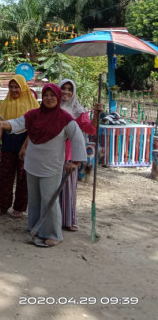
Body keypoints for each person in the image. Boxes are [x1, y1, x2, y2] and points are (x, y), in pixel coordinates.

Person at [0, 83, 86, 247]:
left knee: (49, 200)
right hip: (32, 164)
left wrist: (76, 162)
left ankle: (53, 234)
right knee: (35, 199)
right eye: (46, 95)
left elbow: (78, 138)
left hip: (52, 166)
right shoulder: (33, 115)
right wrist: (3, 124)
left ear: (58, 98)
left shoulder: (65, 118)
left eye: (52, 95)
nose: (49, 98)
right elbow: (17, 123)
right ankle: (35, 228)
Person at [58, 79, 102, 231]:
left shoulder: (78, 111)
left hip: (70, 154)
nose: (66, 91)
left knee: (68, 188)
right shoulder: (50, 107)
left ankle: (68, 220)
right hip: (51, 154)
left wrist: (96, 115)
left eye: (69, 89)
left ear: (74, 91)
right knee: (51, 188)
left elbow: (90, 130)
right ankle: (52, 220)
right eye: (63, 88)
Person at [0, 75, 39, 218]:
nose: (13, 90)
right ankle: (3, 205)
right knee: (5, 176)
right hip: (8, 142)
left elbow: (34, 129)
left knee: (23, 177)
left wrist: (25, 147)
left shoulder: (33, 104)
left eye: (16, 86)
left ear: (23, 87)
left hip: (25, 143)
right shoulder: (5, 102)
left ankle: (19, 207)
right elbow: (0, 125)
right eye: (11, 87)